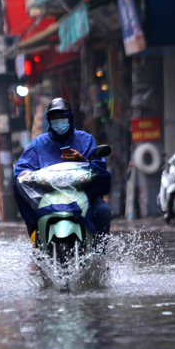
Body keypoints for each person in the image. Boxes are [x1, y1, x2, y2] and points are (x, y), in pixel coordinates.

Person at [14, 97, 112, 241]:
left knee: (103, 210)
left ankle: (100, 252)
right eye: (55, 118)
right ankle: (36, 236)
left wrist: (82, 160)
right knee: (18, 189)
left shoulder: (85, 140)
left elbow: (99, 167)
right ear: (49, 120)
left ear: (70, 118)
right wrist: (27, 175)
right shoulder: (39, 143)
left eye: (62, 117)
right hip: (49, 198)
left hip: (84, 195)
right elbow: (22, 168)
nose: (59, 122)